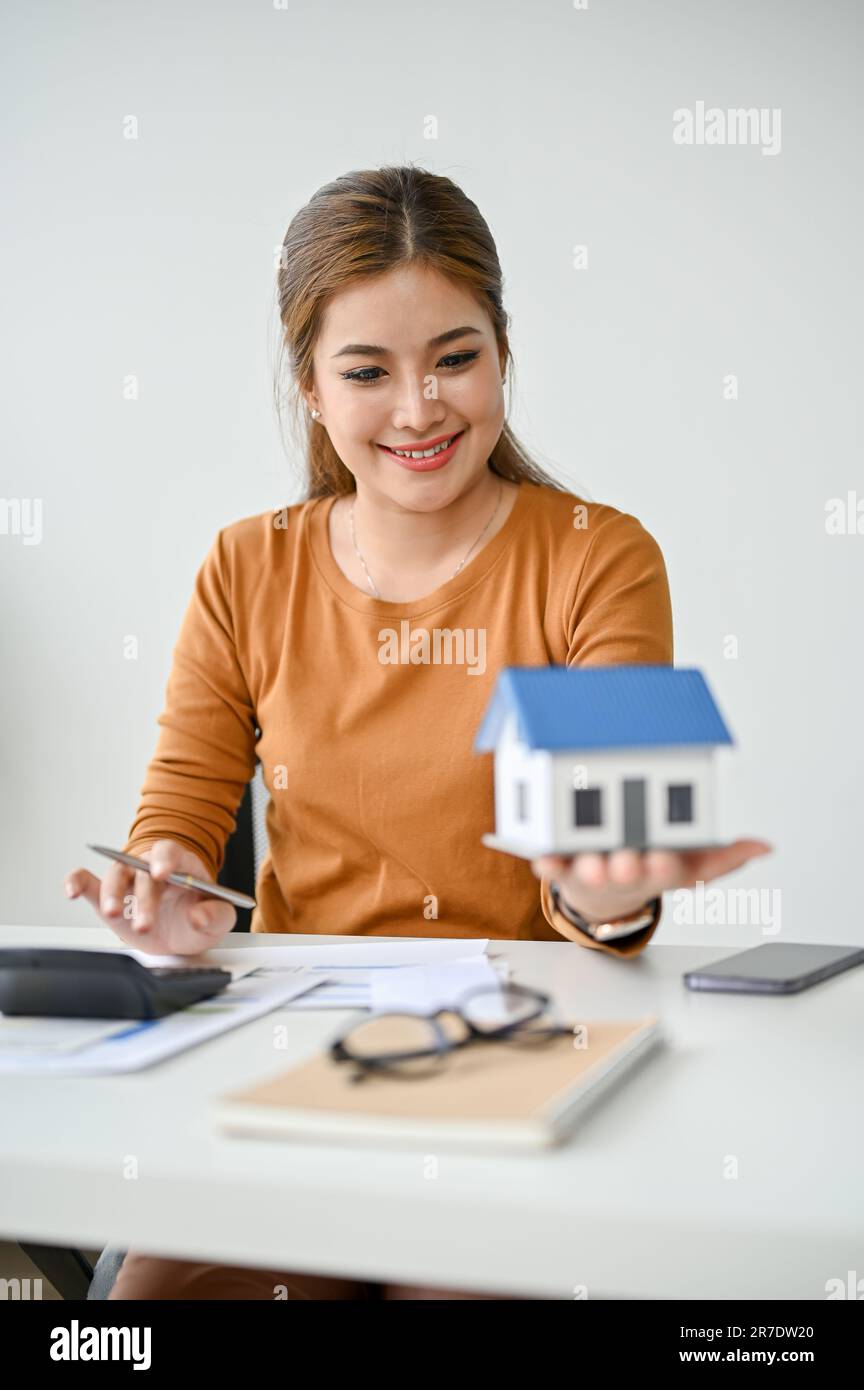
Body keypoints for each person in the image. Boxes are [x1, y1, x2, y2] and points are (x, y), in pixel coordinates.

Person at [64, 165, 772, 1300]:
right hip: (296, 1058)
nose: (418, 408)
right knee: (148, 1304)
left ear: (503, 351)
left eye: (455, 357)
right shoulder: (247, 566)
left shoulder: (598, 555)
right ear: (310, 385)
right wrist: (170, 882)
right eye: (367, 371)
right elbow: (183, 809)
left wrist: (608, 889)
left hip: (523, 1049)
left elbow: (612, 868)